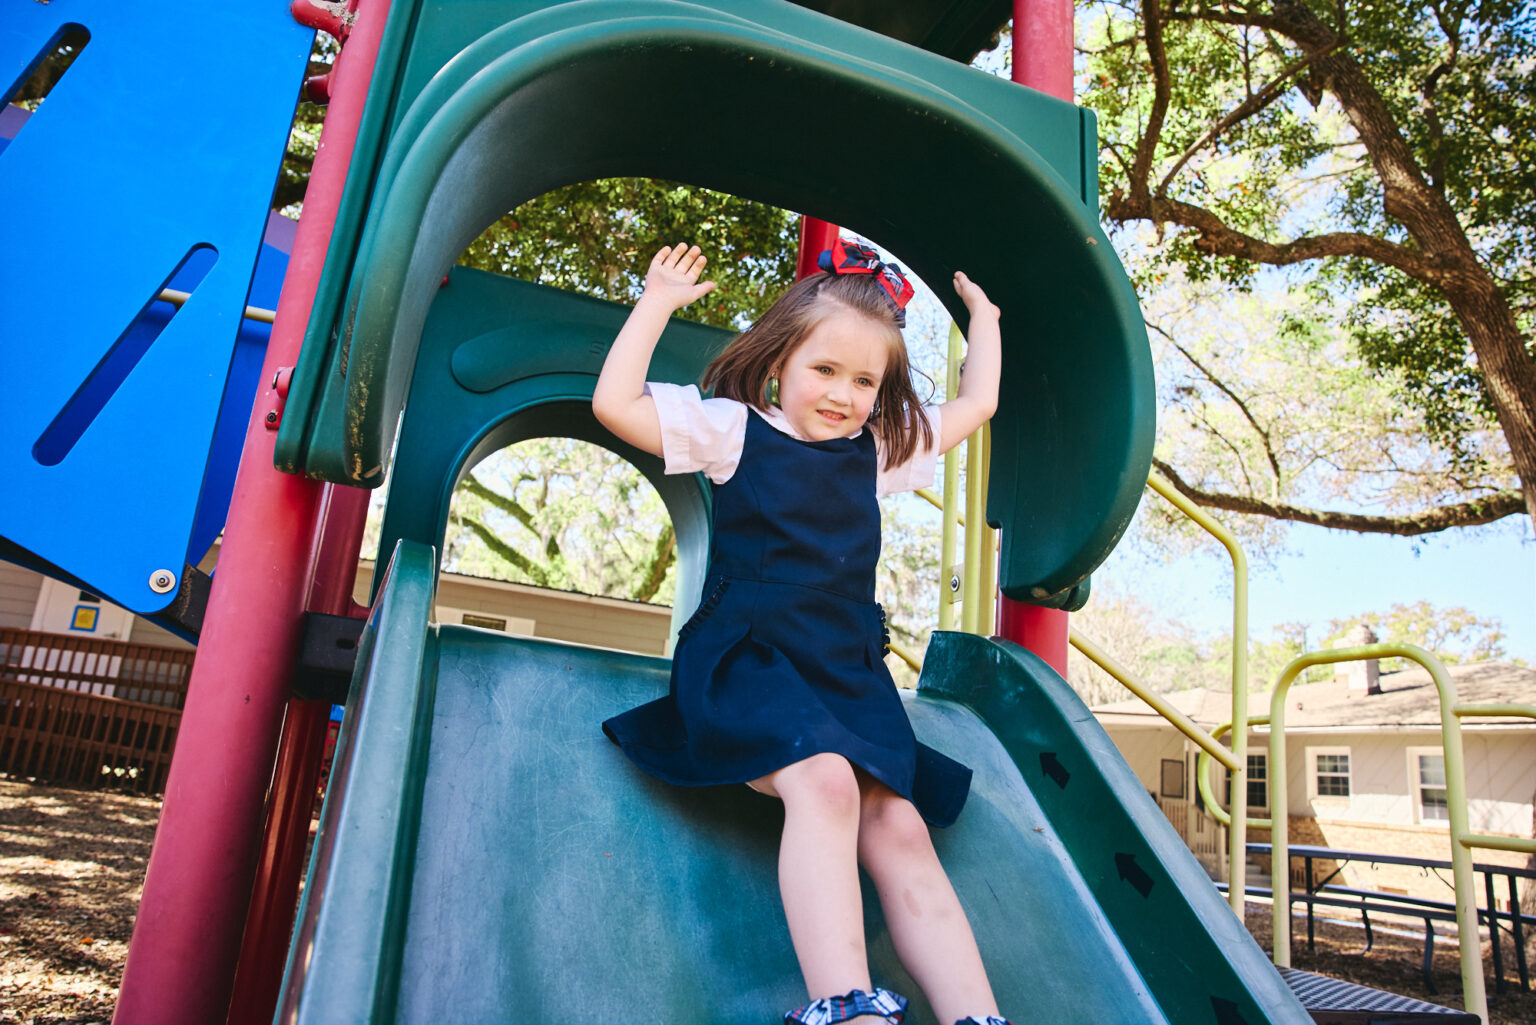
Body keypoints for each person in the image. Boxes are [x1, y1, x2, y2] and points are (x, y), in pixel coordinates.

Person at [593, 237, 1011, 1025]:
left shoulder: (875, 451)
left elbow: (976, 404)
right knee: (824, 781)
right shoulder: (733, 429)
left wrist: (982, 320)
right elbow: (616, 406)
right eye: (825, 369)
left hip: (845, 672)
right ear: (780, 358)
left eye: (865, 381)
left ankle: (978, 1016)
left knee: (899, 822)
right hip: (749, 662)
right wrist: (655, 303)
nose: (844, 394)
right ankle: (847, 1006)